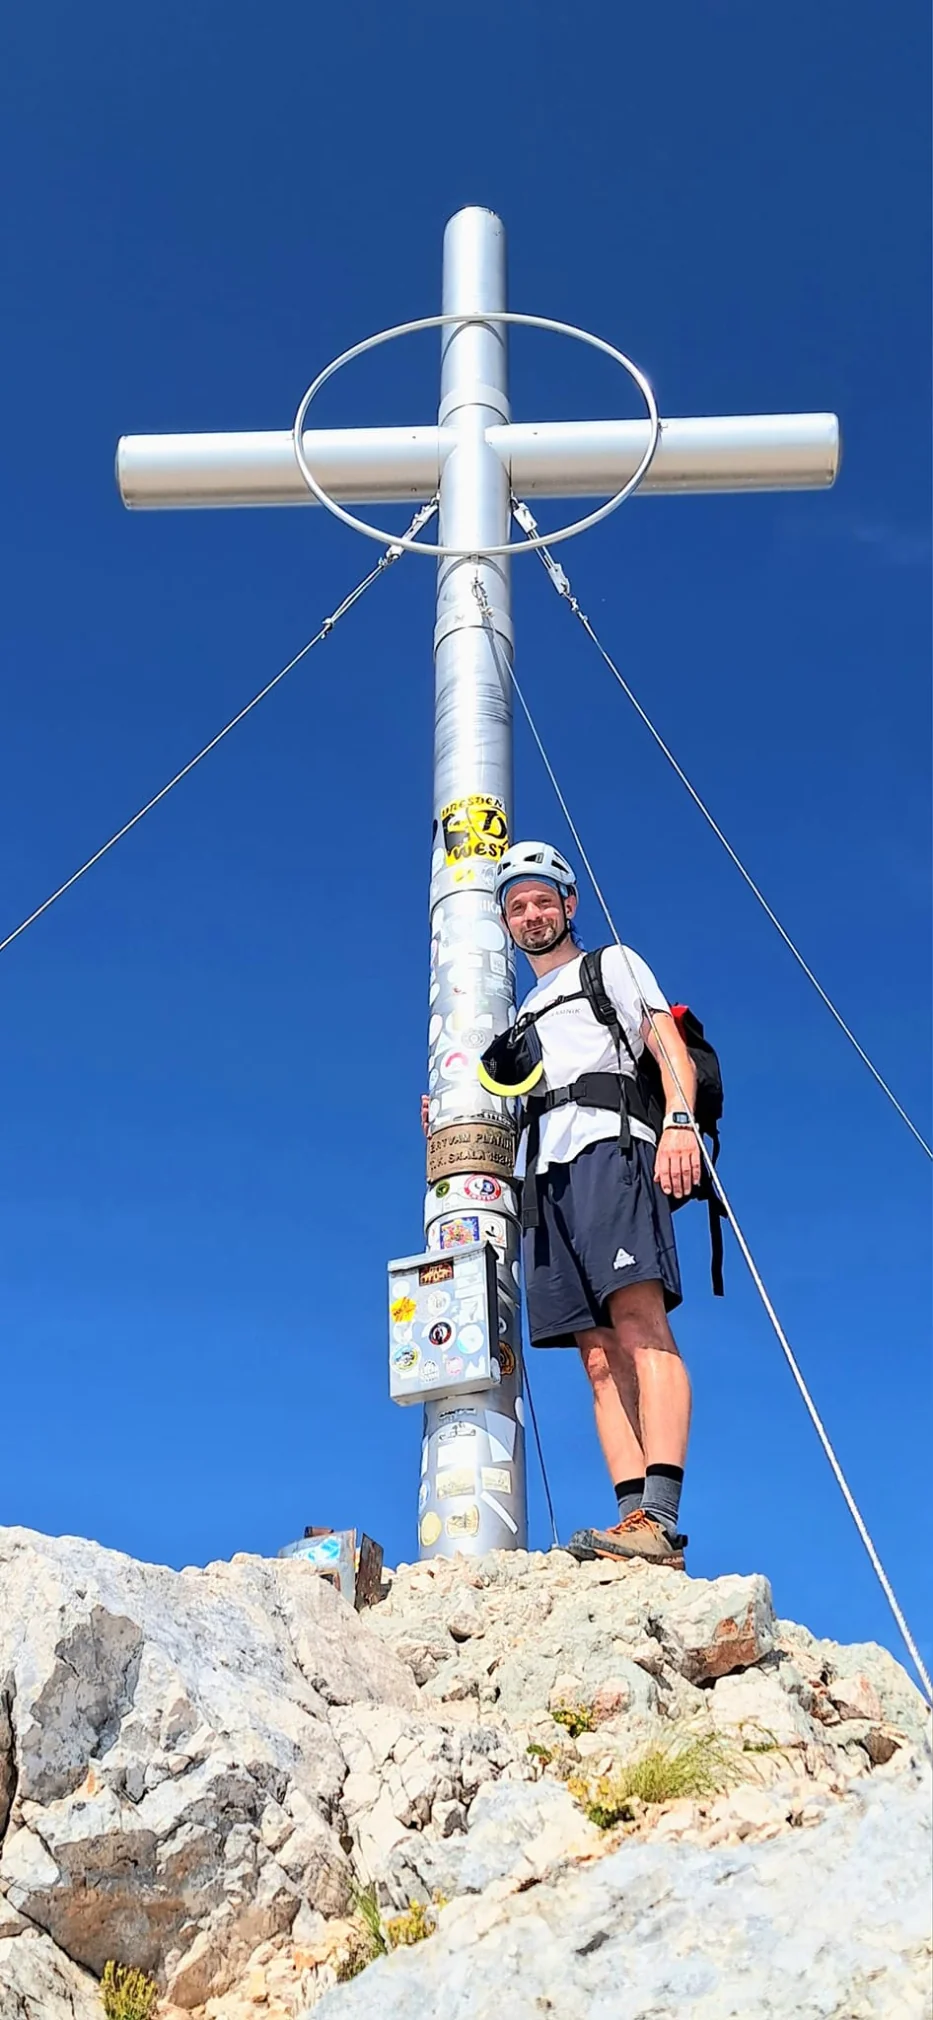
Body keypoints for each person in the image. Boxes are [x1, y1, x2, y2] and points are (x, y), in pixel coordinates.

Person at [492, 841, 701, 1565]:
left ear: (568, 903)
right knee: (595, 1357)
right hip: (544, 1180)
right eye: (516, 906)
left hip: (610, 1152)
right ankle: (630, 1524)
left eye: (542, 900)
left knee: (639, 1325)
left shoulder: (607, 964)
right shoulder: (520, 1012)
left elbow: (662, 1038)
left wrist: (678, 1122)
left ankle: (659, 1516)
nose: (531, 915)